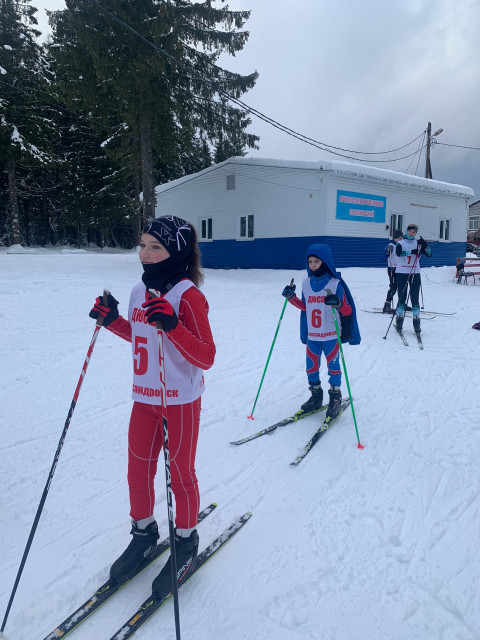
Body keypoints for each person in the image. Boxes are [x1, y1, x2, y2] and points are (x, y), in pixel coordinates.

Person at [89, 216, 215, 598]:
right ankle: (144, 535)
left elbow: (206, 356)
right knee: (137, 472)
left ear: (174, 251)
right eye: (142, 245)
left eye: (155, 247)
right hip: (145, 397)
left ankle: (186, 542)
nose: (145, 254)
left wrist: (174, 325)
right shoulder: (137, 292)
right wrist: (113, 321)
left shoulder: (188, 296)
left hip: (179, 401)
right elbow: (141, 336)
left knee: (180, 475)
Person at [281, 244, 360, 420]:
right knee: (311, 368)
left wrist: (338, 303)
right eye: (310, 261)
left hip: (331, 335)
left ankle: (335, 398)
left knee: (333, 368)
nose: (313, 265)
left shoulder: (335, 283)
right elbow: (306, 307)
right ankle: (316, 397)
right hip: (313, 336)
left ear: (325, 261)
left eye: (317, 261)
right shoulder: (306, 283)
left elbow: (347, 311)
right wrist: (291, 298)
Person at [394, 223, 432, 335]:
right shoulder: (400, 243)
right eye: (410, 231)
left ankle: (416, 322)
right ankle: (399, 320)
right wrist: (412, 252)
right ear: (406, 231)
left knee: (415, 298)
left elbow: (429, 254)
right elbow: (399, 253)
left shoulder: (418, 244)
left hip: (415, 273)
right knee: (402, 296)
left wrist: (425, 245)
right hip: (402, 273)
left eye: (414, 232)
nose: (411, 233)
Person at [382, 229, 403, 313]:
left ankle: (401, 303)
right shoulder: (391, 245)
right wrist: (387, 252)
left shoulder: (402, 245)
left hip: (401, 268)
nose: (401, 239)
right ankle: (387, 305)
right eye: (399, 238)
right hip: (392, 269)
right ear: (395, 238)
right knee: (393, 286)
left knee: (401, 286)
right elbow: (383, 258)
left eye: (402, 237)